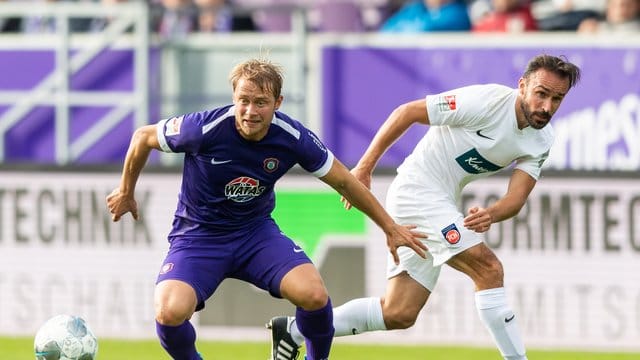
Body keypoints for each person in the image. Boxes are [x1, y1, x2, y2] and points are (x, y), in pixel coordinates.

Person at [106, 57, 427, 360]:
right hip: (198, 238)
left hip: (254, 235)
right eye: (243, 100)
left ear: (278, 103)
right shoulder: (202, 128)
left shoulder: (292, 136)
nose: (250, 111)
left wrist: (389, 226)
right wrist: (125, 190)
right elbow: (142, 137)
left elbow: (344, 181)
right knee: (169, 311)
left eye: (260, 102)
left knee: (314, 295)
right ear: (233, 98)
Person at [268, 54, 581, 360]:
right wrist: (364, 168)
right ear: (523, 85)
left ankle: (293, 331)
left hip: (439, 201)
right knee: (489, 270)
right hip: (417, 193)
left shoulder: (542, 139)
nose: (547, 107)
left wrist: (494, 212)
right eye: (541, 94)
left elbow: (516, 198)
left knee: (399, 312)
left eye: (557, 99)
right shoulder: (486, 102)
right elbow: (406, 112)